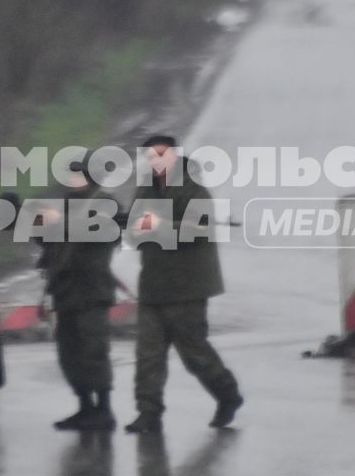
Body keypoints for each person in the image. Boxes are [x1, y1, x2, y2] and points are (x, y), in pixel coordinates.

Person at [127, 133, 243, 434]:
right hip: (154, 284)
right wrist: (141, 229)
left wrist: (158, 226)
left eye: (162, 155)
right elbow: (134, 234)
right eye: (151, 157)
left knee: (194, 353)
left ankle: (227, 394)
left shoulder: (194, 190)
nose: (156, 162)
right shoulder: (146, 191)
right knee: (147, 355)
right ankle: (148, 412)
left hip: (187, 287)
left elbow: (199, 231)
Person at [41, 158, 121, 432]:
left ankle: (104, 409)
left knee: (93, 351)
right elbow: (49, 243)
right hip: (66, 292)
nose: (72, 180)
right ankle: (85, 406)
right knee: (69, 354)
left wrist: (60, 223)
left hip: (91, 290)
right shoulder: (67, 204)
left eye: (78, 175)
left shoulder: (104, 204)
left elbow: (97, 234)